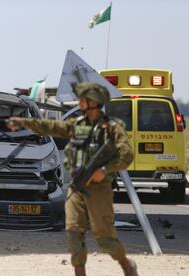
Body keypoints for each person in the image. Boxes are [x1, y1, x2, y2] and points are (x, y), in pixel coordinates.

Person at [8, 82, 138, 276]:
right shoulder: (77, 125)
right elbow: (51, 126)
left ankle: (127, 265)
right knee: (73, 233)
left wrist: (104, 169)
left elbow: (127, 154)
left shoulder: (112, 128)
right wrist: (24, 123)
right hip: (77, 187)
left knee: (105, 239)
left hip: (98, 189)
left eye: (84, 99)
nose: (80, 102)